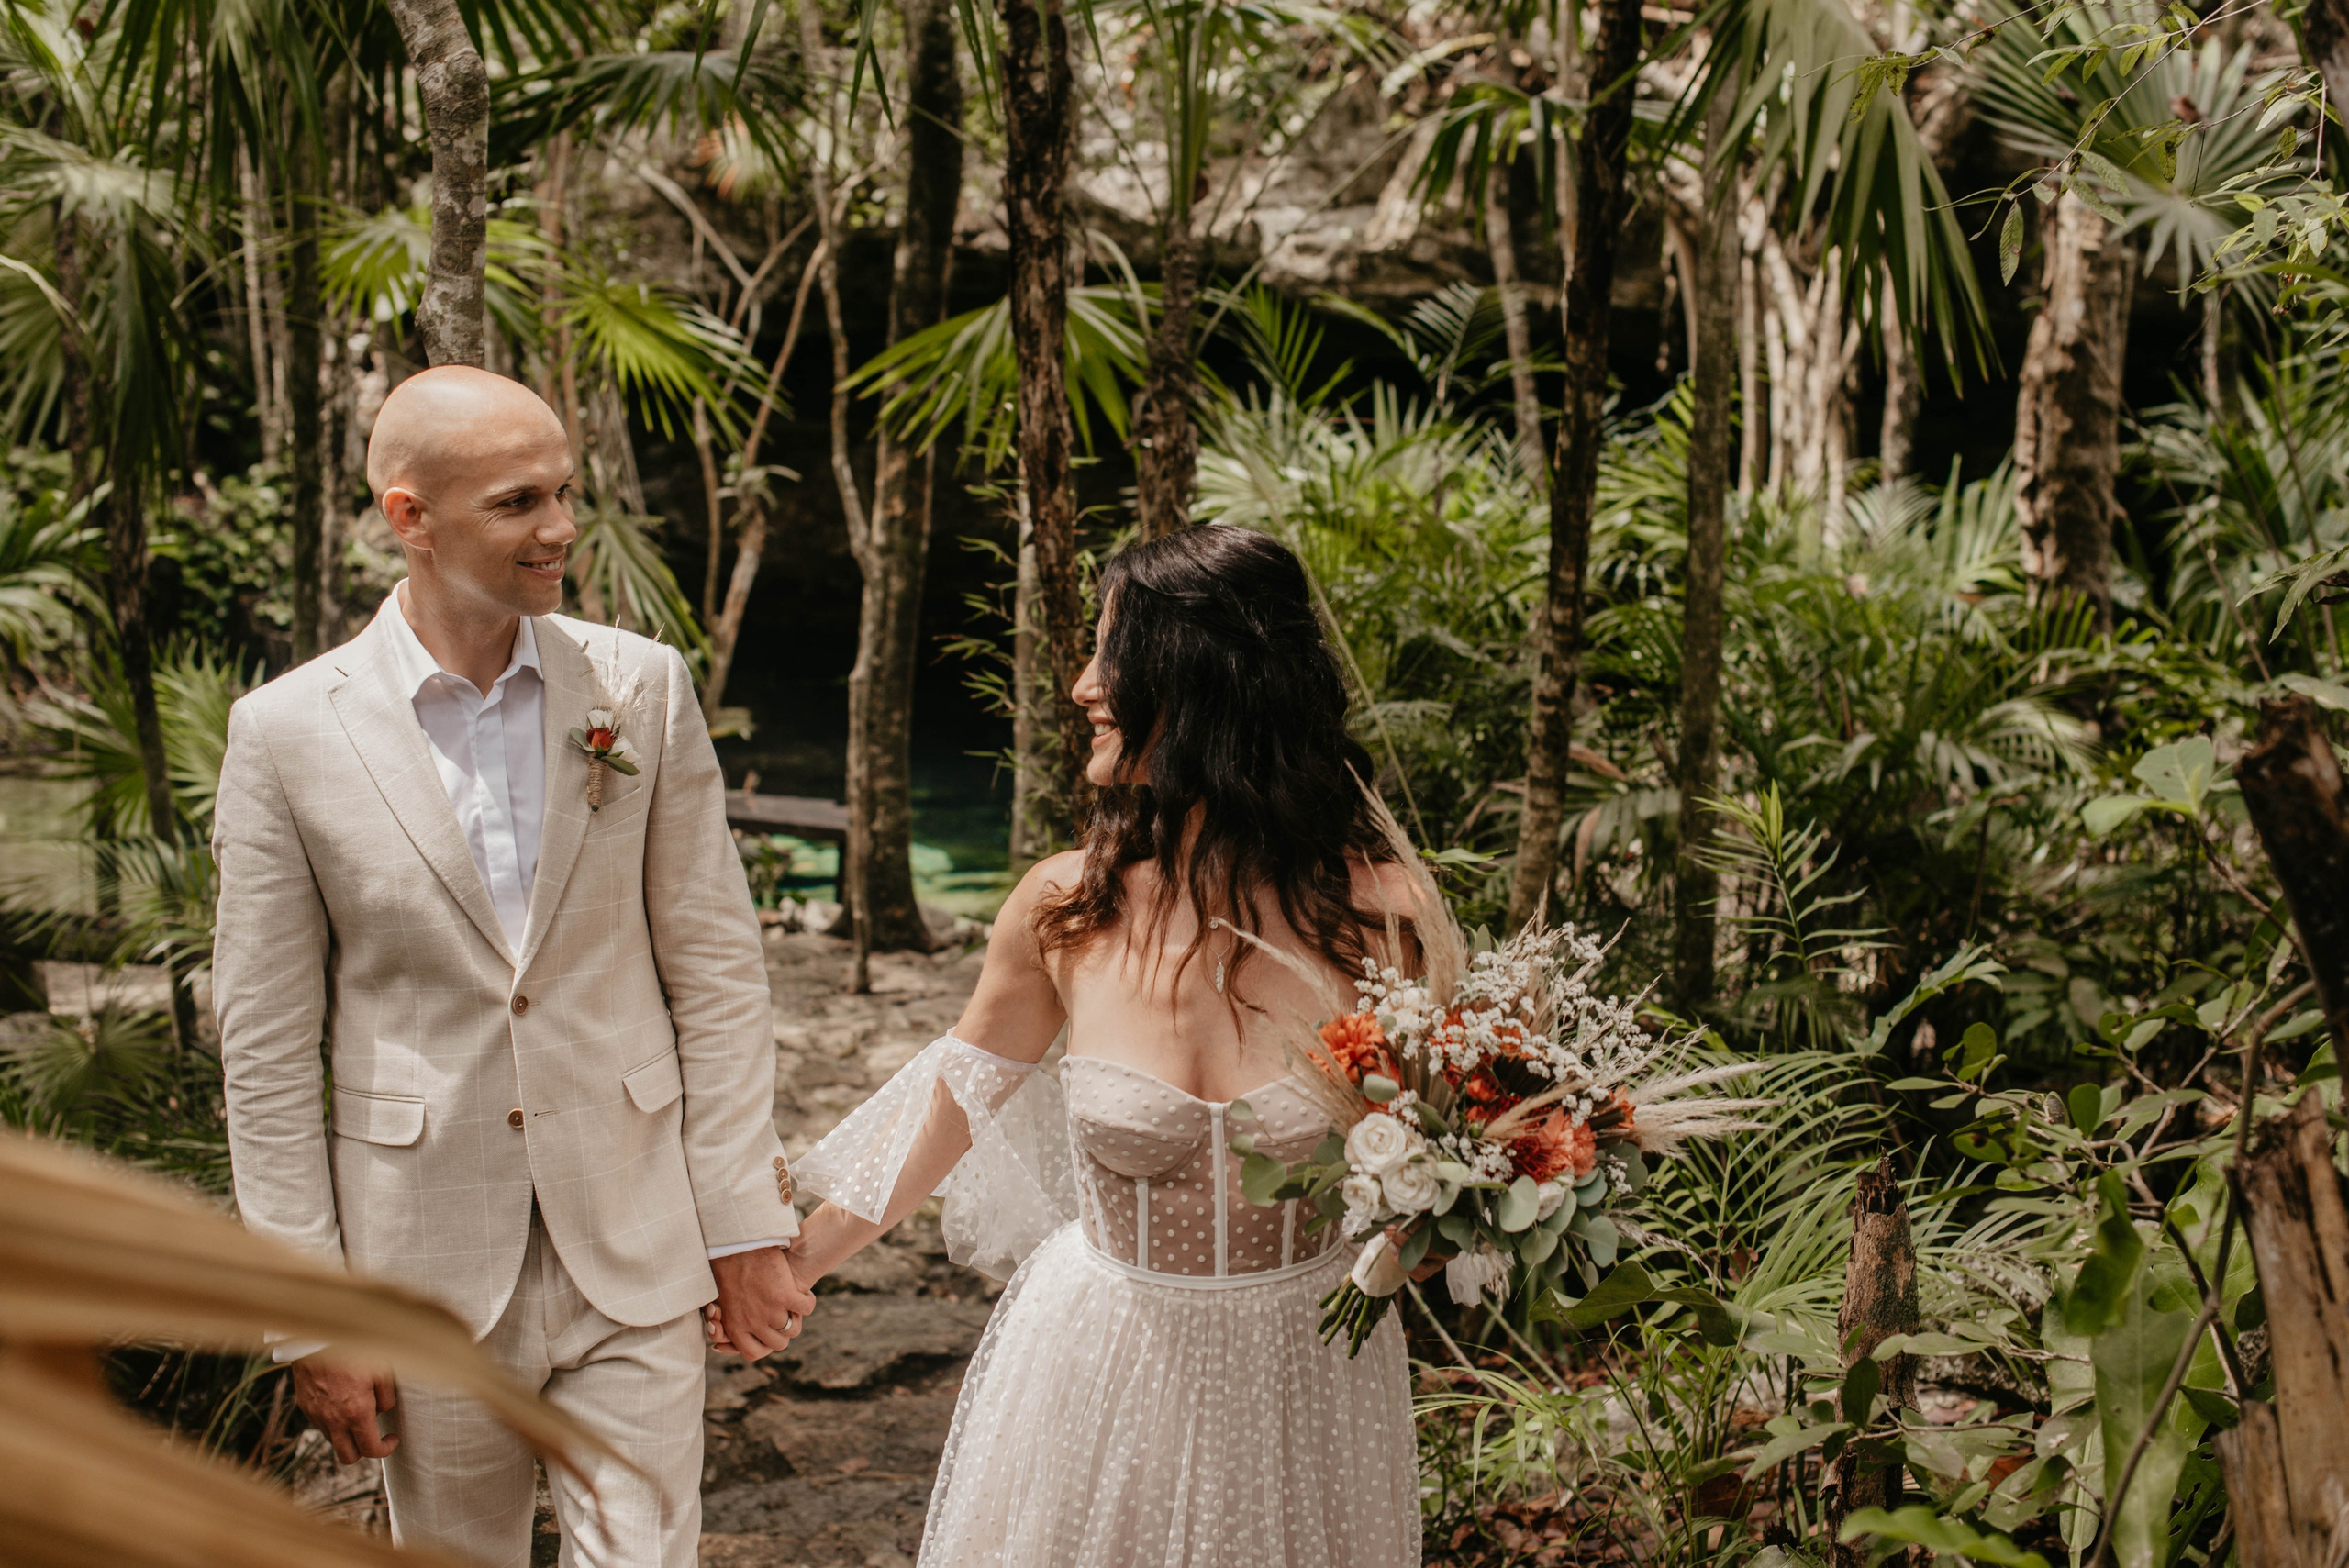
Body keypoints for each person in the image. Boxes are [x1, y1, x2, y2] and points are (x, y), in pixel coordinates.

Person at [213, 365, 813, 1568]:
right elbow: (270, 1054)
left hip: (633, 1245)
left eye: (564, 491)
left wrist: (743, 1222)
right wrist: (310, 1314)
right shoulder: (284, 732)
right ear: (410, 517)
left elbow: (716, 972)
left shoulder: (637, 685)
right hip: (421, 1268)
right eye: (518, 501)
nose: (559, 528)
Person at [761, 527, 1425, 1567]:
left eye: (1112, 654)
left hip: (1307, 1381)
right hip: (1099, 1369)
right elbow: (952, 1105)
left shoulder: (1386, 917)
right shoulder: (1068, 904)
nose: (1081, 686)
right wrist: (793, 1263)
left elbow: (1450, 1147)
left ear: (1204, 681)